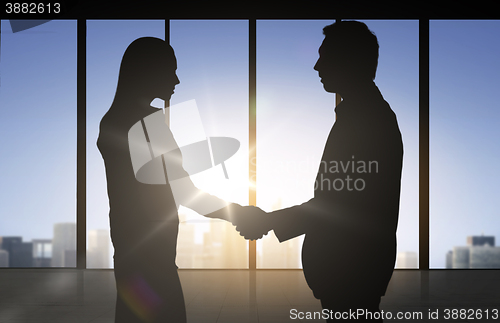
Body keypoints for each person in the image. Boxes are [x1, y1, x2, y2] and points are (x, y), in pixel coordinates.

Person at [241, 21, 403, 322]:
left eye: (324, 57)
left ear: (348, 61)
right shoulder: (364, 115)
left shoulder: (366, 120)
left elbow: (339, 205)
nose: (317, 66)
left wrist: (269, 220)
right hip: (352, 271)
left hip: (352, 271)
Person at [98, 37, 265, 323]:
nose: (176, 79)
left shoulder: (114, 119)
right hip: (152, 258)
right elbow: (184, 192)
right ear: (148, 71)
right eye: (170, 70)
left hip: (131, 250)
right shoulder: (146, 124)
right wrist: (240, 213)